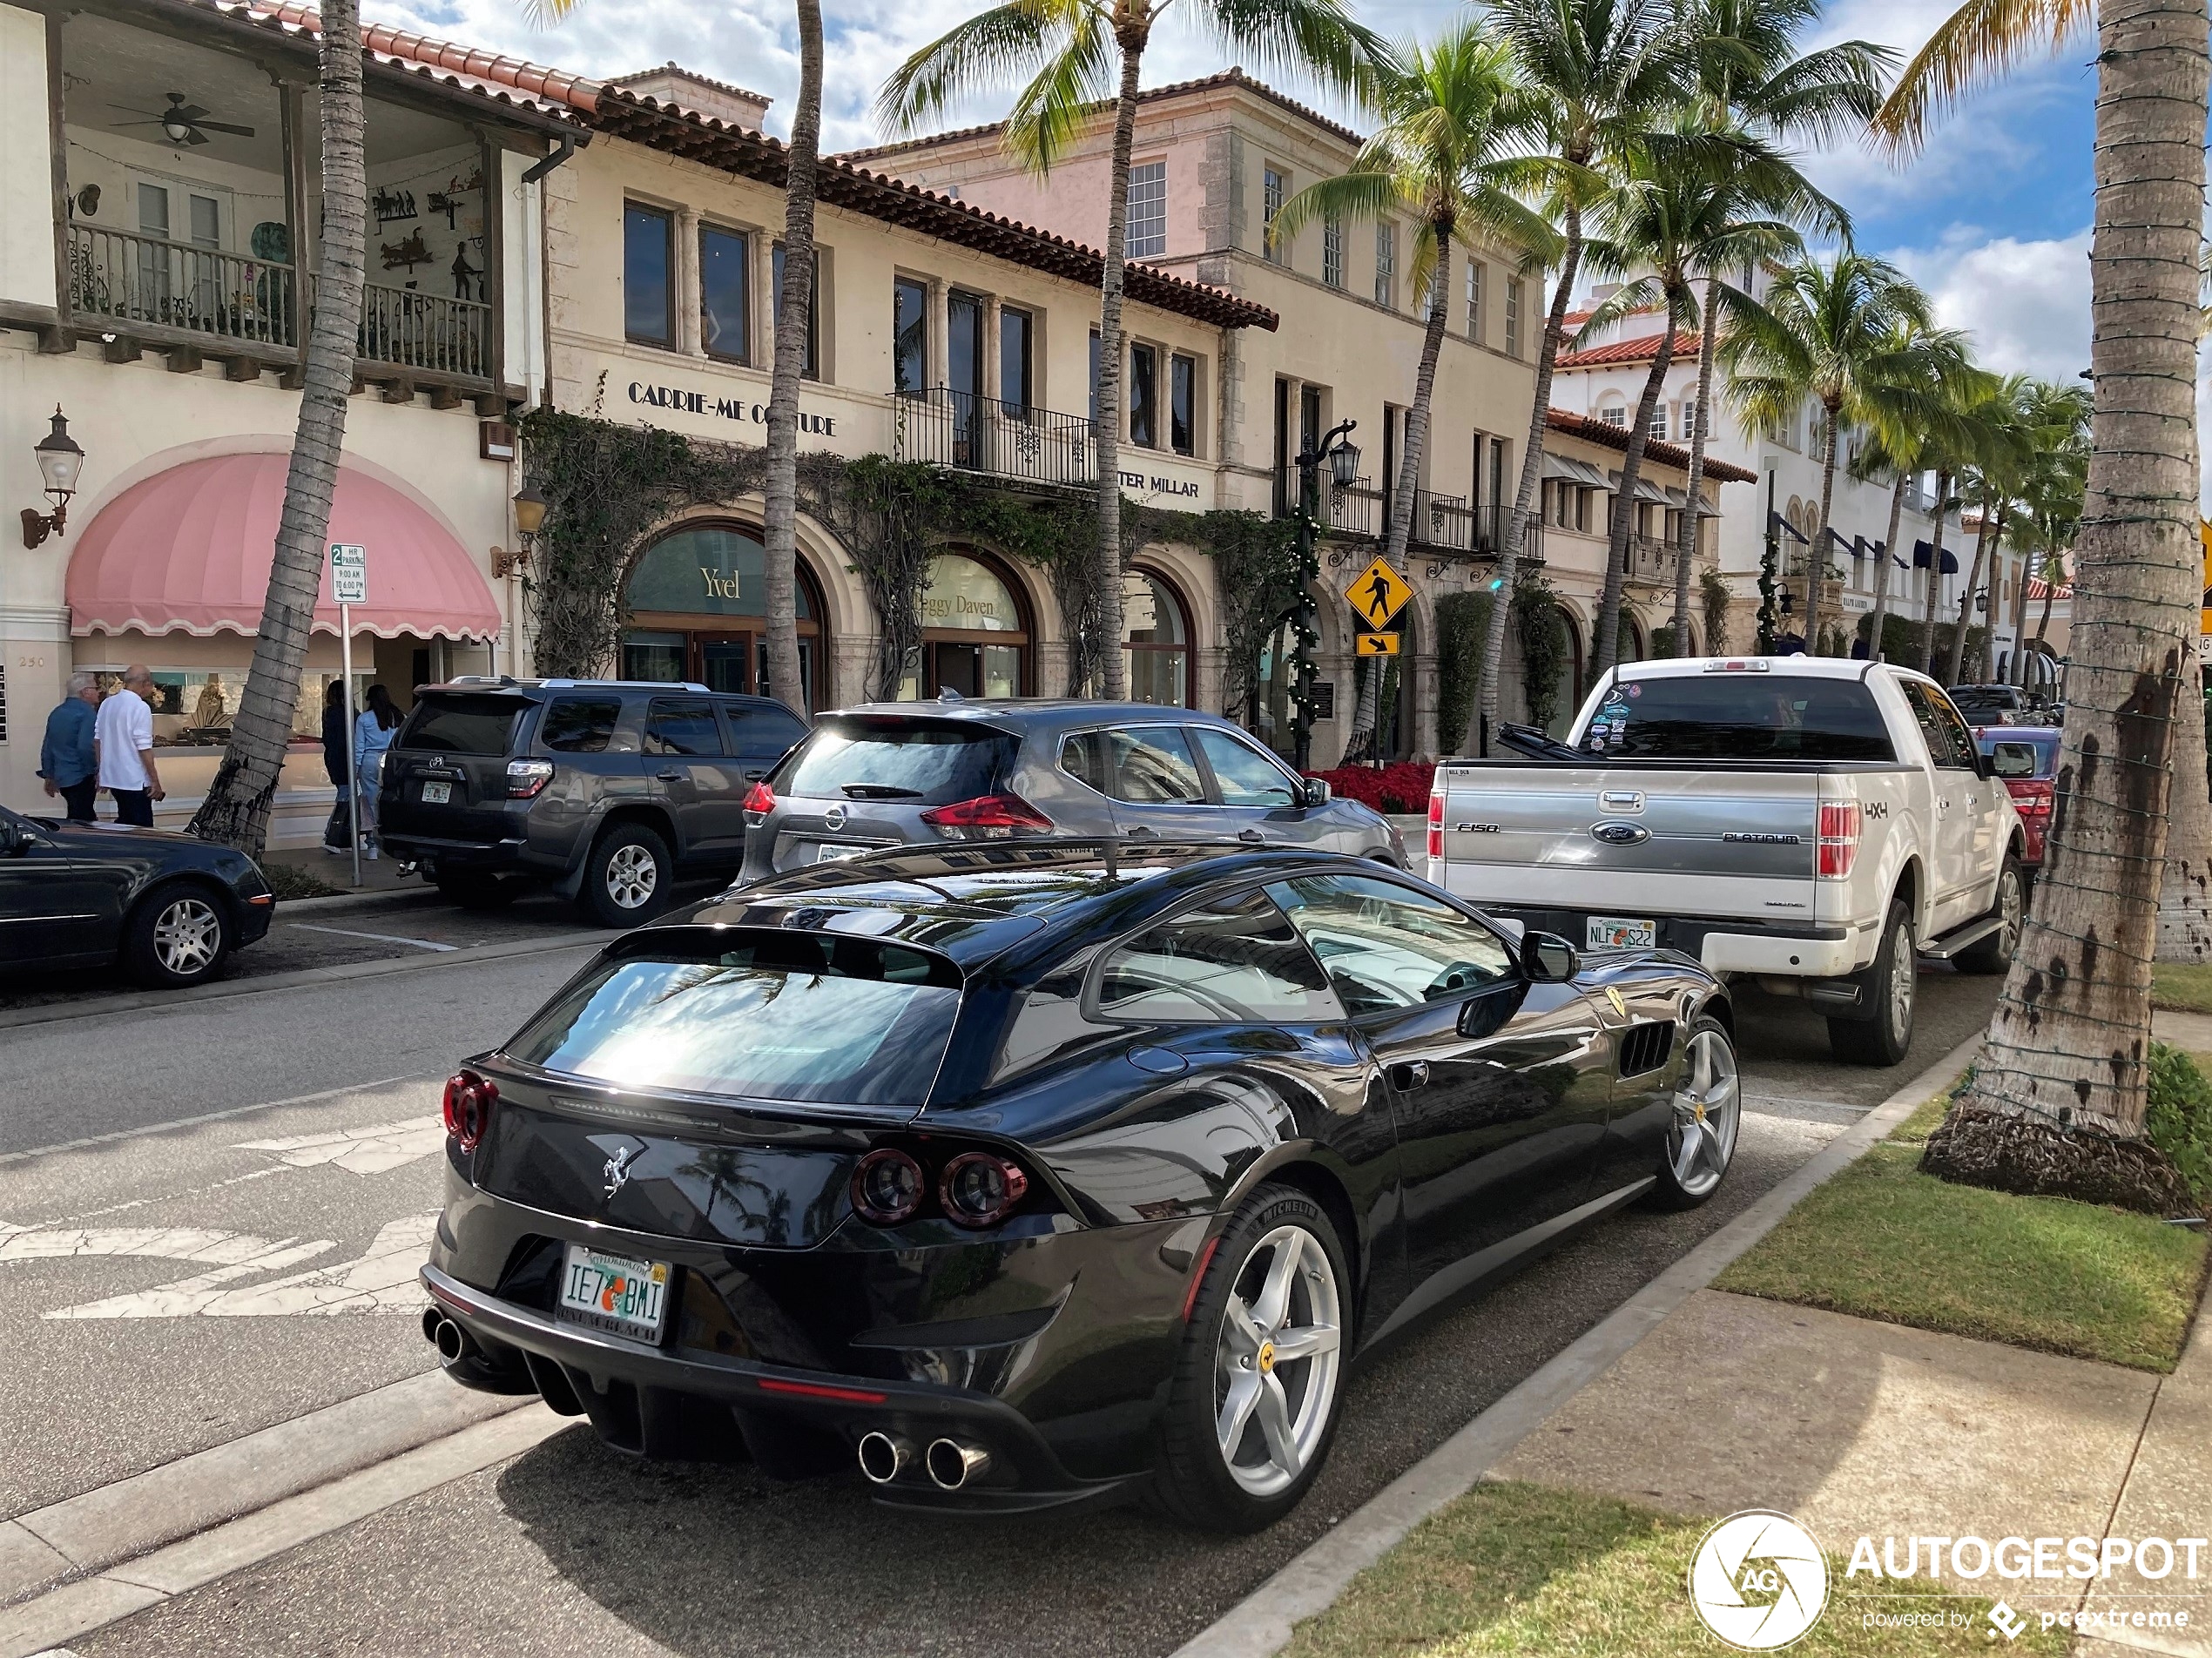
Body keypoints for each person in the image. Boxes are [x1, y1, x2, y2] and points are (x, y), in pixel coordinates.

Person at [94, 665, 163, 828]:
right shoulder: (140, 707)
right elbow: (144, 747)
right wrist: (155, 780)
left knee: (124, 822)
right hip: (134, 779)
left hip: (114, 778)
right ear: (145, 683)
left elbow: (97, 740)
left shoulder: (107, 704)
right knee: (142, 828)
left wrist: (101, 771)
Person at [37, 672, 100, 821]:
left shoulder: (56, 713)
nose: (98, 692)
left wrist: (49, 774)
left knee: (76, 814)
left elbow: (47, 747)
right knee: (84, 819)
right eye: (95, 688)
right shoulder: (87, 713)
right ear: (85, 691)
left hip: (62, 776)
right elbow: (85, 746)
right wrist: (94, 770)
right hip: (80, 775)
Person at [353, 684, 402, 859]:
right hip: (391, 760)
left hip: (370, 759)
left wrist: (356, 767)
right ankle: (392, 836)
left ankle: (372, 843)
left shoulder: (365, 719)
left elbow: (359, 746)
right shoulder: (399, 716)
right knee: (391, 799)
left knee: (369, 802)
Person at [320, 680, 353, 855]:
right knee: (346, 798)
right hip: (346, 759)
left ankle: (343, 838)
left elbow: (328, 739)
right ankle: (331, 835)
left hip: (334, 759)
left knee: (346, 796)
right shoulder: (350, 713)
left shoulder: (329, 713)